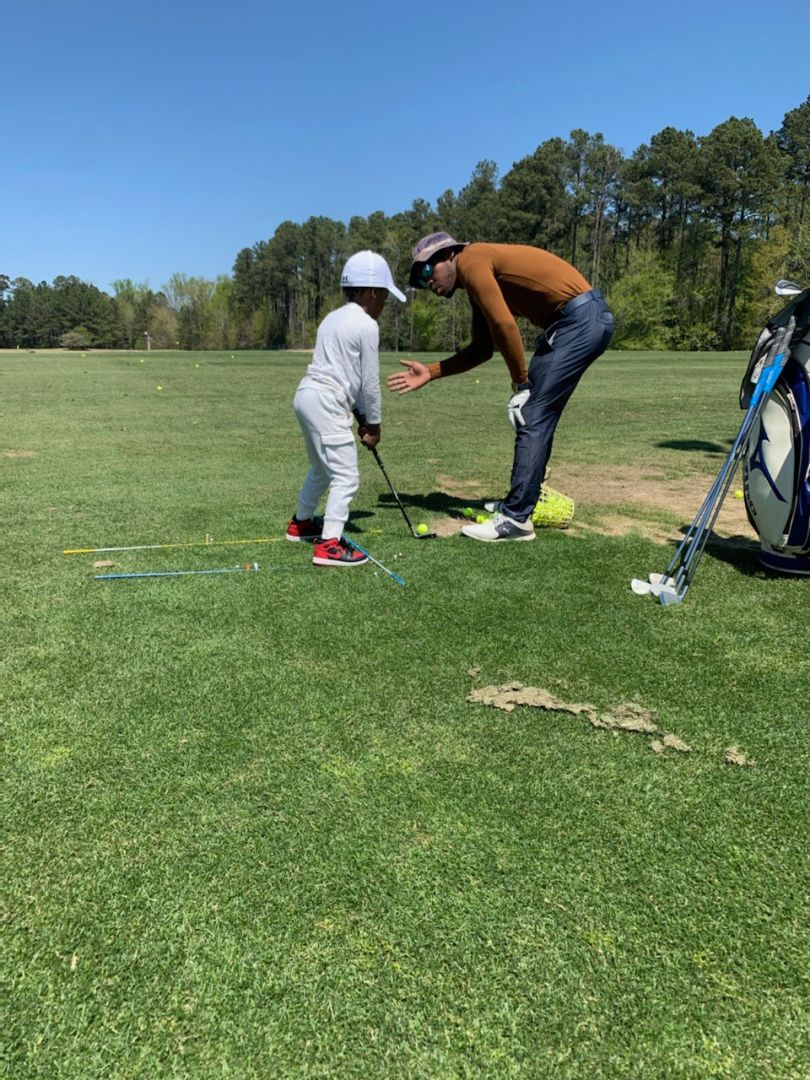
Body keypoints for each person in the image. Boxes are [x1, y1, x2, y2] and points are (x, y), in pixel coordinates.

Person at [388, 232, 614, 542]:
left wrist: (521, 383)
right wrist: (431, 371)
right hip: (573, 323)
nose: (427, 282)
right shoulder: (475, 278)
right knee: (535, 413)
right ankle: (521, 503)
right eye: (419, 280)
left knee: (531, 412)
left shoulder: (471, 259)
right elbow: (482, 348)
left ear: (449, 255)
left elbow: (504, 324)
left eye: (427, 271)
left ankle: (515, 519)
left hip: (579, 321)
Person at [286, 251, 406, 566]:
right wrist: (375, 426)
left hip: (306, 395)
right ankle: (329, 545)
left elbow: (346, 375)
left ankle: (301, 523)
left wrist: (361, 417)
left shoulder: (332, 318)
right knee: (347, 475)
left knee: (323, 469)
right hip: (326, 401)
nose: (384, 303)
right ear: (373, 291)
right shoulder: (367, 325)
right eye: (384, 296)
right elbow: (368, 383)